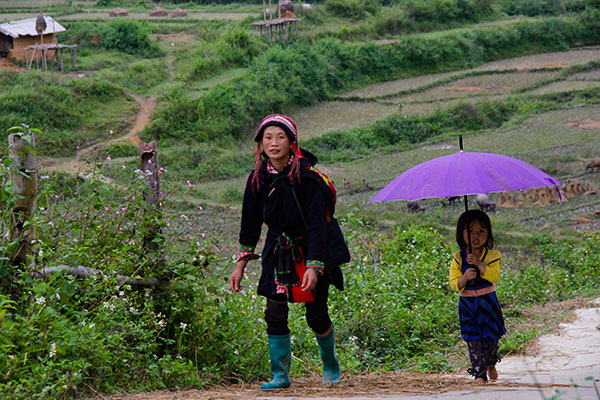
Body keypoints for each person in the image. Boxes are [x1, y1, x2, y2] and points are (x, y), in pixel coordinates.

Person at [229, 114, 341, 390]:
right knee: (274, 313)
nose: (274, 143)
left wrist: (315, 267)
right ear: (260, 143)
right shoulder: (257, 179)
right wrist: (241, 264)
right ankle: (280, 375)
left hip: (310, 249)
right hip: (277, 251)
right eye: (268, 137)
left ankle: (330, 364)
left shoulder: (307, 179)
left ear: (292, 142)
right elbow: (250, 223)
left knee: (315, 315)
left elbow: (318, 225)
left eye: (280, 137)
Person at [449, 209, 506, 383]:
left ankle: (491, 364)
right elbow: (453, 284)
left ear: (488, 233)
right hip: (468, 305)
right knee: (473, 339)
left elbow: (494, 276)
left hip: (487, 303)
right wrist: (465, 277)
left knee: (491, 338)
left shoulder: (492, 256)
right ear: (462, 233)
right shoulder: (458, 258)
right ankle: (479, 373)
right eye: (470, 231)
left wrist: (480, 264)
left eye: (481, 231)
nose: (476, 236)